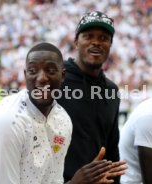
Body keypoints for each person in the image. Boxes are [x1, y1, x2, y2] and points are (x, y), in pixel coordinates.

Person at [0, 42, 126, 184]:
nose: (42, 78)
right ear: (25, 75)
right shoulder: (8, 122)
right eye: (33, 71)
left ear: (62, 76)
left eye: (50, 70)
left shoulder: (62, 120)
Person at [56, 11, 122, 183]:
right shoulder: (55, 80)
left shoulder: (111, 91)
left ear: (110, 44)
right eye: (88, 36)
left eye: (103, 38)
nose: (96, 42)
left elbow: (112, 150)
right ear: (76, 42)